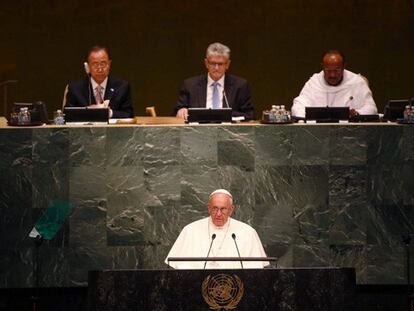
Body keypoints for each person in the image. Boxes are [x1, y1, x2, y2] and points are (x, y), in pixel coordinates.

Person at [165, 189, 268, 269]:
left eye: (223, 209)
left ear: (231, 210)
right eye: (215, 208)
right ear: (209, 208)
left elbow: (255, 269)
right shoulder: (190, 231)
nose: (218, 214)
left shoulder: (248, 232)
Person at [175, 42, 254, 121]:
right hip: (198, 131)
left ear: (227, 64)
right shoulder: (190, 85)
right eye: (213, 63)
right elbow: (176, 111)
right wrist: (181, 110)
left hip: (229, 131)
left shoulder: (240, 85)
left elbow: (249, 115)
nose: (216, 68)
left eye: (220, 64)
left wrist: (223, 115)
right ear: (206, 63)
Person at [291, 50, 378, 118]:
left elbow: (372, 108)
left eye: (337, 70)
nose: (332, 75)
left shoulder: (356, 82)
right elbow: (297, 107)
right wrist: (313, 116)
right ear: (323, 67)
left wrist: (357, 113)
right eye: (328, 70)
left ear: (344, 67)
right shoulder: (314, 83)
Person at [65, 46, 133, 118]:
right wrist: (88, 111)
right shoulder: (75, 89)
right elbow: (68, 115)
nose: (100, 69)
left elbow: (129, 114)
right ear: (87, 67)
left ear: (109, 64)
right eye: (95, 64)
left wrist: (109, 113)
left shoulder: (122, 87)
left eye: (103, 63)